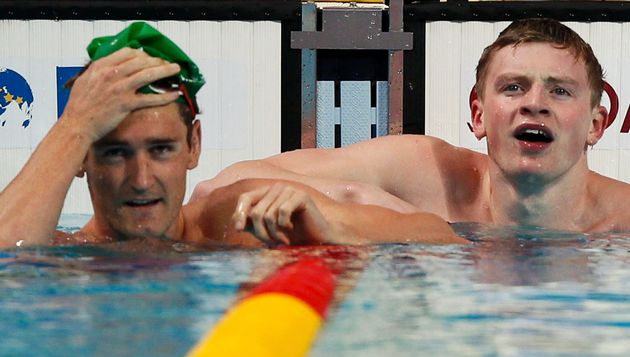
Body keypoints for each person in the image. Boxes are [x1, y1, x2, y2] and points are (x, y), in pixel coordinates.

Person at [0, 22, 464, 249]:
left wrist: (334, 230)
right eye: (116, 153)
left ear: (194, 145)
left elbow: (440, 238)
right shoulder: (61, 254)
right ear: (81, 158)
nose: (141, 179)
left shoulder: (233, 220)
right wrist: (76, 124)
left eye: (161, 150)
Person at [193, 18, 630, 233]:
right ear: (478, 114)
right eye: (513, 88)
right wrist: (362, 202)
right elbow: (219, 187)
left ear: (597, 122)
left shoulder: (622, 223)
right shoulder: (426, 173)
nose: (534, 105)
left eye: (560, 91)